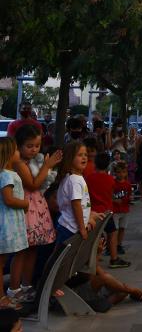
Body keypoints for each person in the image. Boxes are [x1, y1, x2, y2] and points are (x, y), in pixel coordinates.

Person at [7, 126, 59, 305]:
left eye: (37, 146)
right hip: (27, 209)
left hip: (36, 207)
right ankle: (14, 289)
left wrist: (45, 165)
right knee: (22, 251)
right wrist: (47, 165)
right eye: (30, 146)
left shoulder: (32, 161)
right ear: (18, 146)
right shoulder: (19, 164)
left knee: (32, 250)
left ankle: (26, 285)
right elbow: (34, 184)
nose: (34, 149)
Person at [84, 151, 130, 269]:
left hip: (93, 213)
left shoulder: (89, 178)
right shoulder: (110, 179)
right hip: (106, 212)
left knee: (95, 235)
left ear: (95, 164)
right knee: (112, 233)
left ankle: (93, 258)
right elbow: (112, 194)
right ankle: (114, 258)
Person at [0, 138, 29, 311]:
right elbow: (9, 199)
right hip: (6, 225)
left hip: (12, 224)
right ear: (10, 154)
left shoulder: (10, 173)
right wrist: (25, 204)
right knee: (1, 261)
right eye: (17, 150)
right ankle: (2, 297)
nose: (19, 152)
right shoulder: (5, 175)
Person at [54, 141, 99, 245]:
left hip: (71, 227)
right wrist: (82, 228)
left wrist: (88, 218)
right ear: (70, 158)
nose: (84, 158)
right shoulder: (74, 180)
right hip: (70, 229)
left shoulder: (75, 178)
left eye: (85, 155)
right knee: (65, 259)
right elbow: (76, 205)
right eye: (80, 155)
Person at [111, 161, 132, 255]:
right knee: (114, 230)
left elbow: (129, 195)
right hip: (115, 210)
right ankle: (111, 246)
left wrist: (130, 199)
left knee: (122, 228)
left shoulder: (127, 184)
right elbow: (109, 195)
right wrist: (114, 200)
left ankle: (119, 244)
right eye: (119, 172)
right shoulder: (113, 183)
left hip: (125, 209)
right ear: (115, 173)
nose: (121, 174)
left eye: (123, 172)